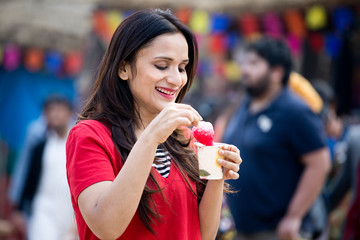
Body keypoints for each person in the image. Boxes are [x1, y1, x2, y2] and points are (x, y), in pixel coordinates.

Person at [66, 8, 242, 240]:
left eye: (182, 67)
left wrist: (217, 175)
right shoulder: (90, 136)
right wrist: (151, 136)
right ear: (123, 68)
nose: (176, 79)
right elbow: (106, 227)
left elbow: (204, 234)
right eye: (161, 65)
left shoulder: (185, 139)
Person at [222, 37, 331, 240]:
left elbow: (320, 163)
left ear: (277, 72)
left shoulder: (295, 111)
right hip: (240, 229)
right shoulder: (245, 104)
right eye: (245, 62)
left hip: (277, 231)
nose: (245, 69)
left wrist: (293, 217)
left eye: (254, 63)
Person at [12, 95, 76, 240]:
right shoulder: (40, 145)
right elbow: (26, 175)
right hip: (43, 208)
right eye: (51, 110)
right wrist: (19, 208)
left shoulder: (77, 144)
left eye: (61, 110)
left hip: (70, 210)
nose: (56, 114)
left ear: (69, 113)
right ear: (45, 114)